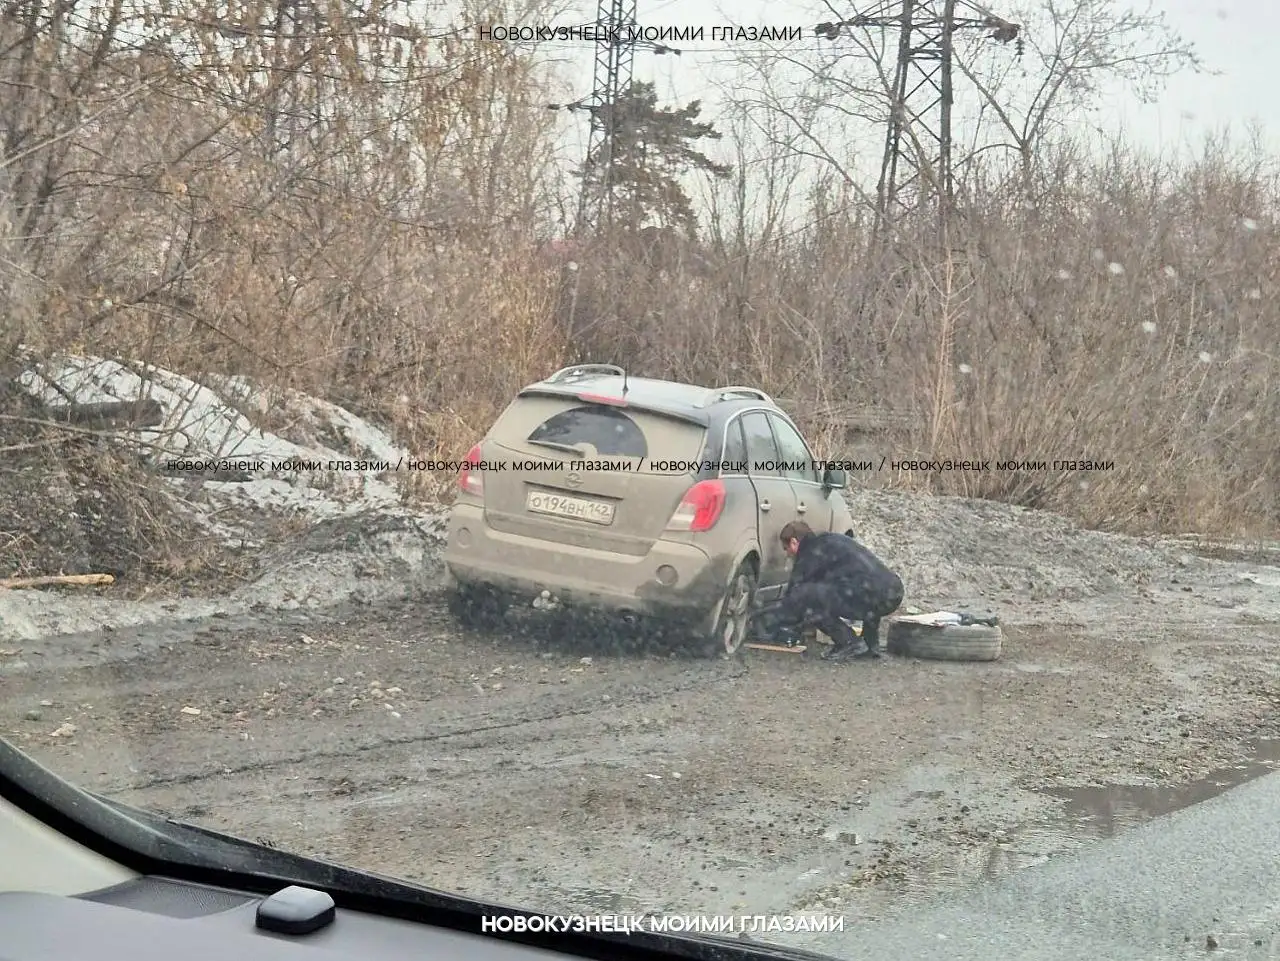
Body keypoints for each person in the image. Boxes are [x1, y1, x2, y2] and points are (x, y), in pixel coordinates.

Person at [759, 520, 905, 661]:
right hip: (893, 591)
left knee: (807, 599)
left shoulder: (809, 554)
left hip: (872, 593)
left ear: (794, 542)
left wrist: (765, 620)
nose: (788, 554)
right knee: (863, 588)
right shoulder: (831, 541)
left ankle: (848, 642)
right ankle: (870, 646)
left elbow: (794, 597)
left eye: (786, 549)